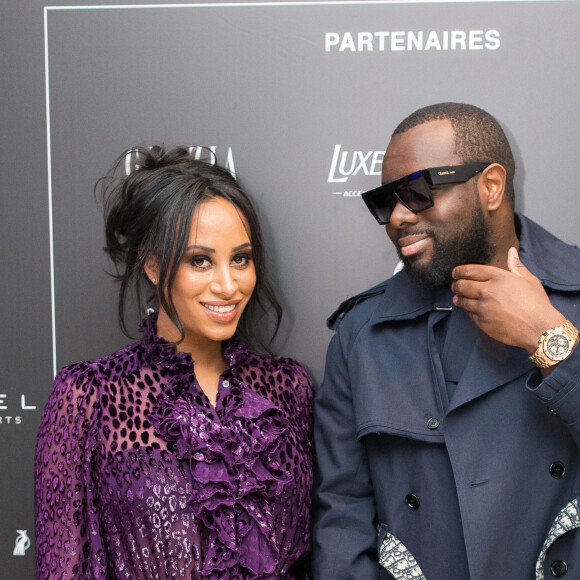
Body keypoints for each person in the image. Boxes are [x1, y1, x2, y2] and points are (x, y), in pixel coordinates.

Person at [312, 103, 580, 579]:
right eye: (385, 201)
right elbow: (343, 513)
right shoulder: (363, 333)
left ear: (491, 186)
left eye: (417, 191)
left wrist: (548, 338)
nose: (396, 217)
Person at [35, 146, 314, 579]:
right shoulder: (90, 395)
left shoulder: (287, 388)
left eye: (240, 259)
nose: (228, 284)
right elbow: (61, 567)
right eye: (200, 261)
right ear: (152, 265)